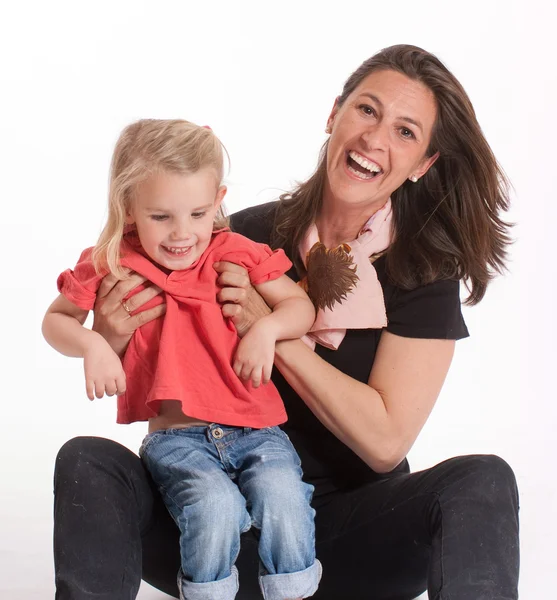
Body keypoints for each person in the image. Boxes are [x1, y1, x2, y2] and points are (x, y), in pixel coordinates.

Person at [52, 45, 520, 600]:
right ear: (334, 113)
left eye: (405, 132)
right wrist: (106, 334)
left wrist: (270, 326)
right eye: (367, 110)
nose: (375, 139)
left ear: (422, 164)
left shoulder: (424, 275)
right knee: (86, 461)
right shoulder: (236, 237)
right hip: (206, 524)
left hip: (345, 540)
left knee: (483, 480)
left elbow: (386, 442)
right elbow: (146, 345)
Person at [43, 119, 321, 600]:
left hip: (259, 432)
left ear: (218, 200)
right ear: (128, 207)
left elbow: (301, 306)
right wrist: (92, 344)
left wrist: (268, 329)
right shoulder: (112, 260)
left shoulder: (234, 250)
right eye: (161, 217)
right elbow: (55, 321)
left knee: (285, 498)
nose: (181, 234)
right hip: (178, 439)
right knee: (214, 508)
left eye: (197, 213)